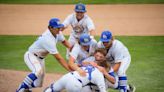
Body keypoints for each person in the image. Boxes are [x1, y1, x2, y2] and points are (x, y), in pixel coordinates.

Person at [16, 18, 71, 92]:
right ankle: (20, 89)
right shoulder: (47, 39)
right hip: (31, 56)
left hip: (41, 59)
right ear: (50, 28)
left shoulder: (58, 33)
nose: (59, 29)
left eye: (59, 27)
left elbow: (64, 42)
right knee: (37, 71)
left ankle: (26, 87)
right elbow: (59, 58)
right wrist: (70, 70)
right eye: (56, 27)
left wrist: (73, 49)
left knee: (38, 84)